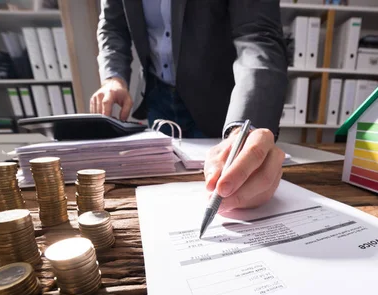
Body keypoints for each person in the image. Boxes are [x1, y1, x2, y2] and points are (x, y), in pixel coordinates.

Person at [91, 0, 288, 212]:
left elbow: (258, 35)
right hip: (156, 97)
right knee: (165, 192)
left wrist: (245, 126)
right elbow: (113, 26)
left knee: (227, 173)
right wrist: (114, 77)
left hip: (218, 102)